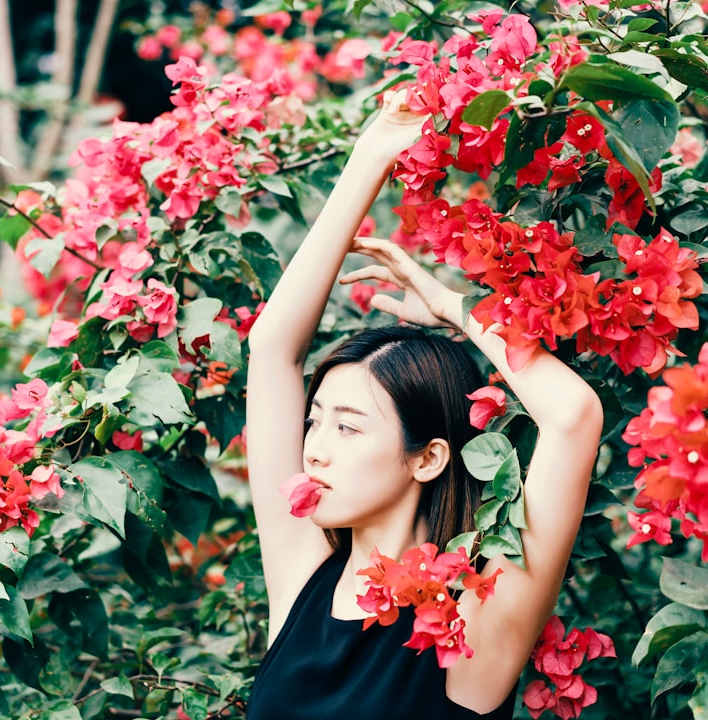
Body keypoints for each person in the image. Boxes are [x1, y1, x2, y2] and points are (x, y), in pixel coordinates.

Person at [244, 90, 603, 718]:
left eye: (349, 428)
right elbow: (272, 350)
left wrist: (450, 305)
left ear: (429, 458)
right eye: (314, 422)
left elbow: (573, 417)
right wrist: (370, 155)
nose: (315, 448)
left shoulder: (473, 621)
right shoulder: (303, 574)